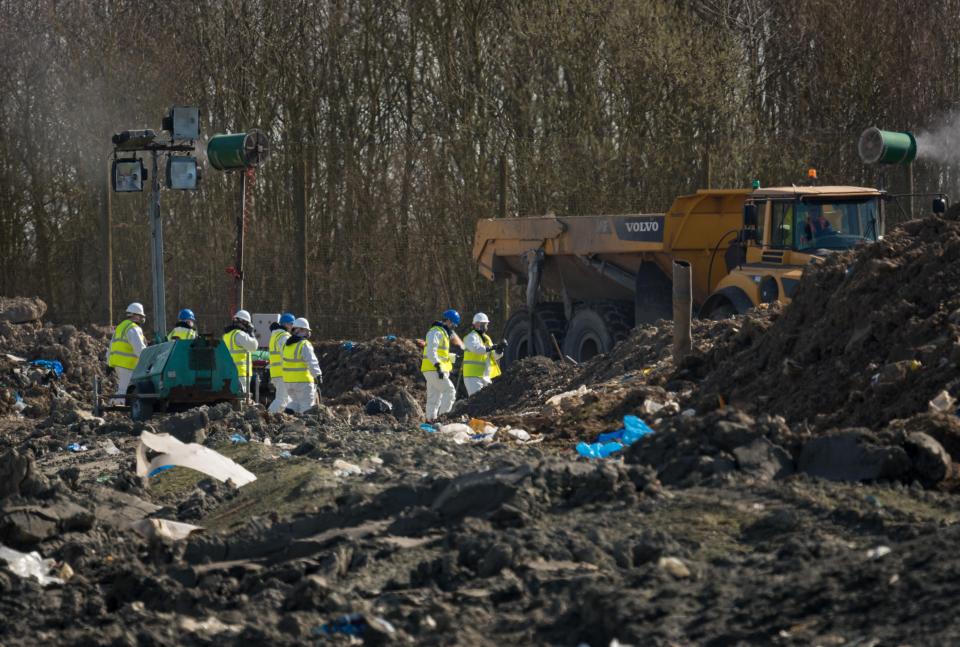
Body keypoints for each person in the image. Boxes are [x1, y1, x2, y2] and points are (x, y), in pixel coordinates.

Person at [421, 309, 460, 421]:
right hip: (435, 369)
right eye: (453, 324)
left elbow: (441, 353)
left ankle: (430, 420)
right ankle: (443, 419)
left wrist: (452, 357)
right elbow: (431, 351)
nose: (454, 327)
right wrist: (438, 366)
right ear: (448, 321)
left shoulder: (442, 333)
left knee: (434, 397)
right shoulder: (436, 332)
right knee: (450, 391)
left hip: (432, 368)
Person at [106, 302, 147, 405]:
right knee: (126, 389)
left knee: (123, 388)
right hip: (128, 364)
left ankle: (113, 404)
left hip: (118, 364)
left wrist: (108, 363)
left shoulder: (121, 327)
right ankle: (115, 405)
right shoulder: (133, 328)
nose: (142, 319)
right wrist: (147, 360)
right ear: (136, 316)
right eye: (141, 316)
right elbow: (139, 349)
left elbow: (111, 347)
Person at [281, 317, 322, 413]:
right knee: (306, 406)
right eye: (306, 331)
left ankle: (287, 419)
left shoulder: (286, 345)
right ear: (300, 330)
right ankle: (307, 426)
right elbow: (311, 361)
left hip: (288, 382)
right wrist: (318, 375)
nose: (308, 334)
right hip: (303, 382)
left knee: (294, 403)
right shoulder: (304, 344)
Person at [462, 312, 505, 396]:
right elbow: (476, 349)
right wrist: (491, 348)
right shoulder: (470, 337)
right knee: (476, 402)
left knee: (485, 403)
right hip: (472, 376)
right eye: (485, 324)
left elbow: (493, 356)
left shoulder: (487, 338)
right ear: (478, 324)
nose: (487, 327)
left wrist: (499, 350)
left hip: (485, 376)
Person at [222, 309, 258, 395]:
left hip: (229, 372)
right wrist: (251, 333)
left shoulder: (226, 335)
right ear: (245, 322)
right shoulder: (240, 334)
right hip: (241, 373)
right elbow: (254, 346)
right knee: (242, 398)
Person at [267, 312, 296, 413]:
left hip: (276, 372)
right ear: (286, 324)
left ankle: (283, 418)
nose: (293, 327)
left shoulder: (275, 335)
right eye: (292, 324)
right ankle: (268, 416)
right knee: (281, 399)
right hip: (282, 373)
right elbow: (288, 354)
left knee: (287, 399)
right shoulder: (284, 337)